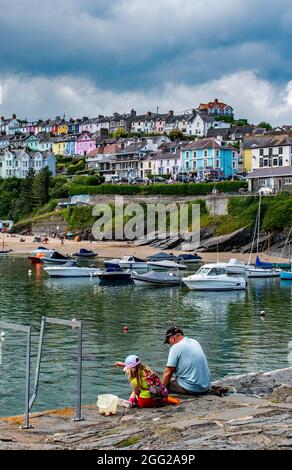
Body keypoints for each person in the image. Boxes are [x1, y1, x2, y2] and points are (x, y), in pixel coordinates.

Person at [162, 326, 211, 395]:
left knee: (168, 385)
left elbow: (168, 372)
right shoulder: (195, 341)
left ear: (172, 338)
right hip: (206, 387)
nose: (170, 345)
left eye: (168, 342)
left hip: (193, 389)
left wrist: (161, 390)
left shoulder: (175, 347)